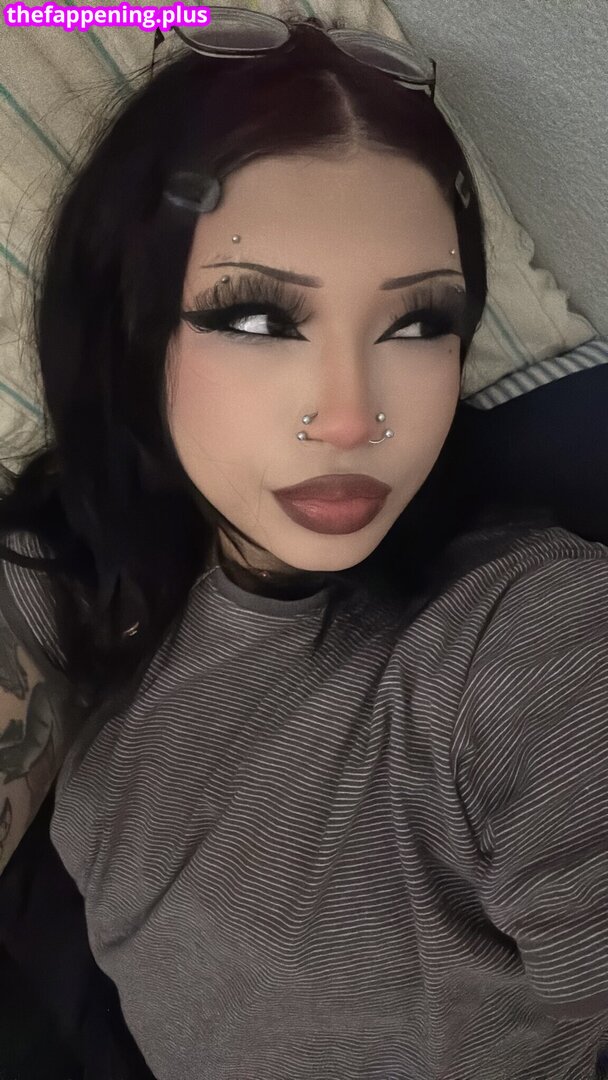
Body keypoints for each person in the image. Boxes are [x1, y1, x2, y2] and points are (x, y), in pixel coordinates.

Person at [0, 9, 607, 1079]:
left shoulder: (528, 642)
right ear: (130, 328)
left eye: (417, 324)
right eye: (257, 319)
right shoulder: (88, 562)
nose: (350, 417)